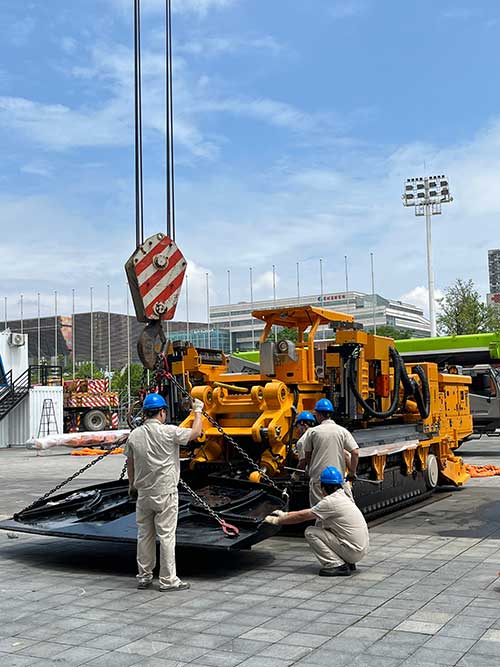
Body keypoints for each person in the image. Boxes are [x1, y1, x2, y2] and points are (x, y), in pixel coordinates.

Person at [124, 392, 203, 592]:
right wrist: (198, 411)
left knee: (144, 535)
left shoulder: (135, 435)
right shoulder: (170, 432)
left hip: (143, 494)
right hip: (165, 492)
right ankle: (168, 580)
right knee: (166, 536)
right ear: (161, 412)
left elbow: (130, 463)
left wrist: (132, 485)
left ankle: (144, 576)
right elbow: (195, 433)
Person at [264, 466, 369, 577]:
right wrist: (285, 514)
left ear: (322, 487)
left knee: (311, 532)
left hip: (353, 551)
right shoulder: (343, 495)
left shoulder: (330, 502)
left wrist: (277, 520)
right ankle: (347, 561)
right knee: (324, 527)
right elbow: (306, 512)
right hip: (360, 549)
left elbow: (302, 516)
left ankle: (336, 565)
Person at [297, 398, 359, 505]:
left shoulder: (312, 432)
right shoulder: (342, 431)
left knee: (320, 512)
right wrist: (352, 472)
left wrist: (309, 469)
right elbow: (355, 453)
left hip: (318, 480)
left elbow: (307, 455)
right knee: (344, 508)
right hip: (338, 480)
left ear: (318, 415)